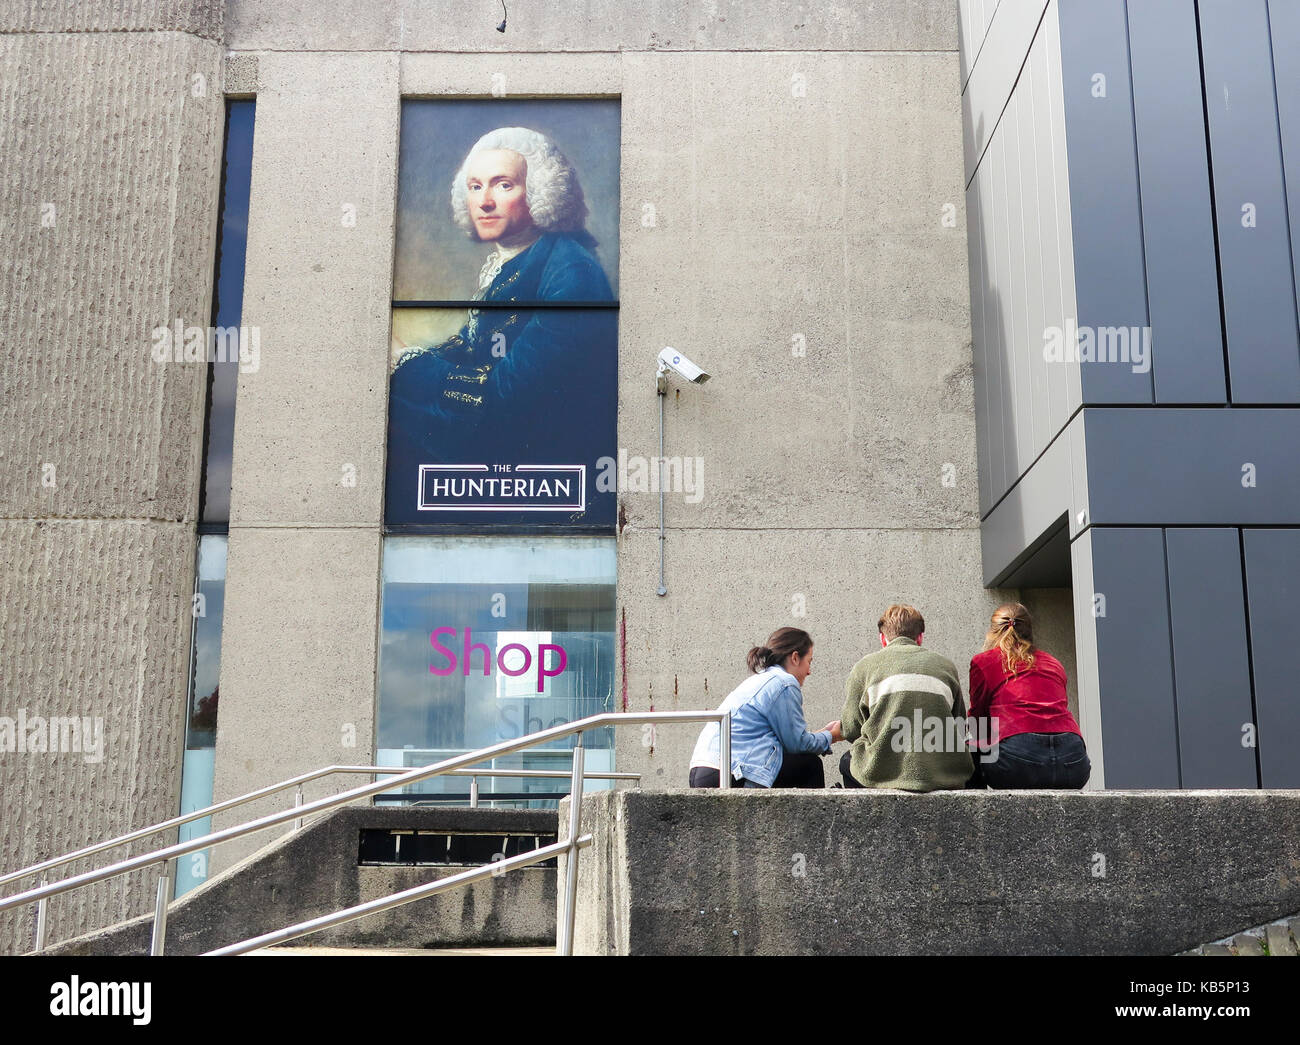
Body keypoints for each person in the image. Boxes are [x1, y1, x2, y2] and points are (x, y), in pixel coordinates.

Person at [387, 126, 615, 470]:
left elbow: (504, 394)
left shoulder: (572, 273)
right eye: (475, 187)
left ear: (541, 191)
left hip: (545, 463)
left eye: (503, 185)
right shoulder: (514, 259)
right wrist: (403, 354)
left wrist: (407, 364)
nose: (485, 201)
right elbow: (472, 344)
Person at [839, 604, 973, 791]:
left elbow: (851, 729)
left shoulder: (864, 668)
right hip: (943, 774)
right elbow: (959, 725)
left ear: (883, 639)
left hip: (881, 772)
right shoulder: (946, 666)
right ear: (920, 638)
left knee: (847, 762)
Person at [688, 627, 841, 788]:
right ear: (795, 657)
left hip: (704, 770)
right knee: (810, 766)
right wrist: (832, 736)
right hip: (728, 772)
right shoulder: (784, 683)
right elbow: (797, 744)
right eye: (809, 662)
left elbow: (787, 743)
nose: (809, 671)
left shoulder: (763, 679)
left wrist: (822, 733)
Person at [968, 603, 1090, 789]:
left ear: (992, 631)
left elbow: (978, 721)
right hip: (1073, 763)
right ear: (1029, 631)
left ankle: (976, 813)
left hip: (1018, 764)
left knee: (969, 742)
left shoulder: (984, 662)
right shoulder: (1054, 663)